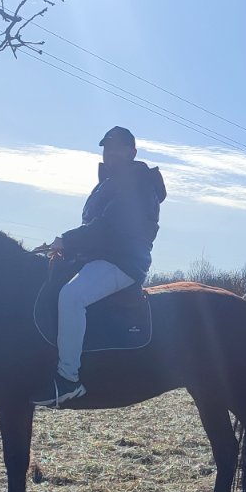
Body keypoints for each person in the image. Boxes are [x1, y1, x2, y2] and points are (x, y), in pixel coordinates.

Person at [36, 126, 167, 406]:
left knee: (71, 297)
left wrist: (67, 241)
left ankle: (68, 379)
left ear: (132, 152)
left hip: (123, 262)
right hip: (101, 257)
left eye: (117, 148)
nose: (110, 153)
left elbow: (108, 227)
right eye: (107, 148)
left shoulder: (137, 184)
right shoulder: (111, 182)